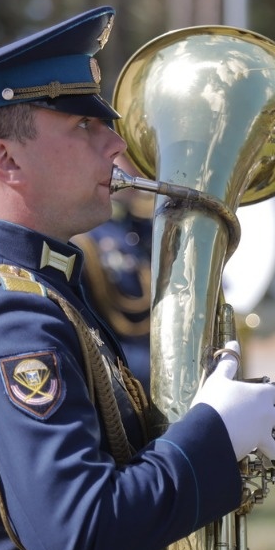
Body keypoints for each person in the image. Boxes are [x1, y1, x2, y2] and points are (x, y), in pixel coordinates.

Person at [0, 6, 275, 550]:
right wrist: (212, 436)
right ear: (5, 161)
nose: (117, 142)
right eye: (82, 126)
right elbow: (82, 538)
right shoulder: (10, 318)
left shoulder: (47, 293)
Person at [73, 154, 153, 393]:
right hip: (125, 376)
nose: (136, 169)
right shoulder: (86, 241)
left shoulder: (143, 229)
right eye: (126, 158)